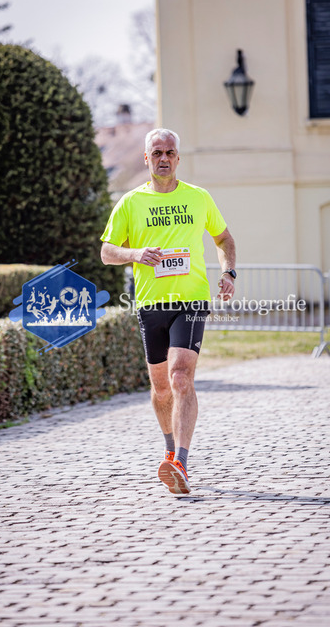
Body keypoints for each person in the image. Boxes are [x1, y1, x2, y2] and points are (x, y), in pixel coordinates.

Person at [100, 128, 236, 495]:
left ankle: (181, 463)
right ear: (146, 158)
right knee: (161, 389)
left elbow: (224, 238)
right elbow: (107, 251)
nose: (164, 158)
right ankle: (169, 449)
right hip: (150, 304)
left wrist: (228, 272)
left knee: (180, 378)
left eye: (170, 152)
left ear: (178, 158)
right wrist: (135, 253)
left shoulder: (198, 197)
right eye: (157, 152)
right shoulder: (130, 202)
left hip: (190, 300)